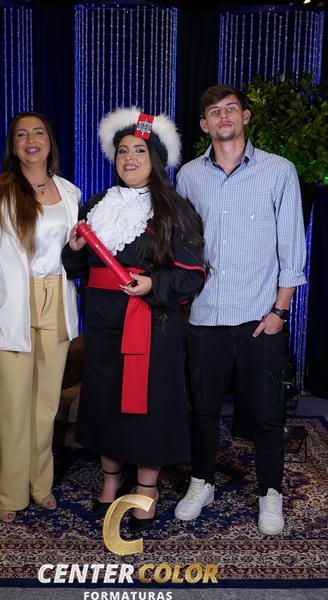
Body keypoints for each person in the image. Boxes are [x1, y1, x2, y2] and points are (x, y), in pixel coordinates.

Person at [62, 107, 206, 532]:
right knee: (105, 401)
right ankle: (110, 479)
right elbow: (76, 268)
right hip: (103, 323)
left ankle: (147, 488)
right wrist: (73, 250)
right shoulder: (97, 205)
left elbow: (193, 275)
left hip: (152, 323)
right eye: (123, 150)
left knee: (147, 406)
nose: (129, 158)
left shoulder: (175, 210)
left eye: (139, 151)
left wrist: (153, 286)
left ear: (155, 158)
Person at [174, 84, 306, 535]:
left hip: (260, 317)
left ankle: (270, 492)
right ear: (204, 125)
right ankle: (202, 482)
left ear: (246, 117)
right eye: (215, 111)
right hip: (205, 316)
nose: (224, 116)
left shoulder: (278, 170)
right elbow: (183, 247)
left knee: (267, 413)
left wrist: (279, 312)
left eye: (231, 108)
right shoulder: (189, 176)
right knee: (203, 410)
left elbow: (292, 248)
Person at [0, 111, 80, 523]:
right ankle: (8, 495)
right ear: (13, 145)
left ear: (49, 141)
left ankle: (40, 484)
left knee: (45, 405)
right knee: (12, 406)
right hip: (11, 307)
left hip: (58, 302)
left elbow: (72, 254)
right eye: (22, 135)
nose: (31, 140)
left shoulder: (70, 191)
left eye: (38, 133)